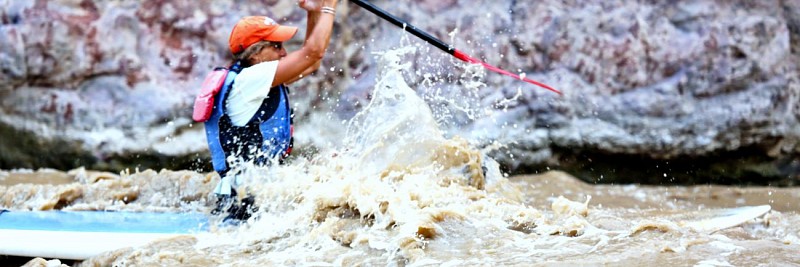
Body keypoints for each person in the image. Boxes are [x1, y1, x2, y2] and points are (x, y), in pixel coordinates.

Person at [204, 0, 339, 221]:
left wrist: (314, 12)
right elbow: (312, 52)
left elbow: (312, 63)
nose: (284, 52)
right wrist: (329, 6)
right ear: (254, 54)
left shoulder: (252, 78)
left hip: (248, 196)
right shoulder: (251, 79)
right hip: (247, 203)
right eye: (276, 46)